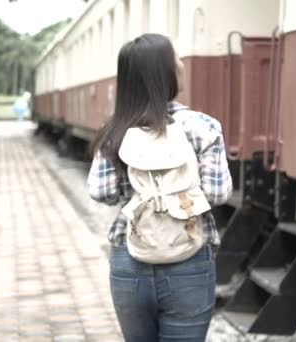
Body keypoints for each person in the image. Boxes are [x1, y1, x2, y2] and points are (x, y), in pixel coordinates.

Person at [87, 33, 232, 342]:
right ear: (166, 72)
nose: (181, 63)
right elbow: (219, 194)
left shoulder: (115, 129)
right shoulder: (203, 126)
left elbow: (101, 191)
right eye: (175, 58)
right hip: (189, 258)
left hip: (130, 258)